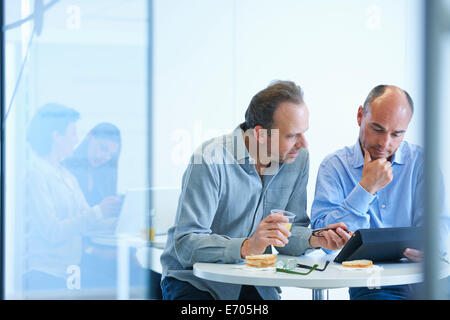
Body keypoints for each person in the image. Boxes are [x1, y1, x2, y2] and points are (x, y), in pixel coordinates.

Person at [160, 80, 352, 300]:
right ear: (260, 134)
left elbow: (289, 233)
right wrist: (247, 246)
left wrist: (315, 239)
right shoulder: (209, 159)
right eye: (292, 135)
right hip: (197, 282)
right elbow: (186, 244)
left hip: (255, 279)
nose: (304, 144)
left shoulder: (297, 159)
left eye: (304, 133)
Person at [310, 85, 450, 300]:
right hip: (373, 283)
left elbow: (439, 226)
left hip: (427, 275)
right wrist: (366, 188)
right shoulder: (334, 167)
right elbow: (323, 239)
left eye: (397, 134)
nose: (385, 143)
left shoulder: (422, 163)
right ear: (360, 116)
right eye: (377, 128)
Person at [23, 103, 118, 291]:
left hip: (70, 271)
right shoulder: (36, 174)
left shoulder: (66, 176)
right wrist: (98, 212)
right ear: (56, 136)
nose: (76, 140)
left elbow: (86, 218)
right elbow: (53, 231)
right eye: (73, 133)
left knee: (120, 288)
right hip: (46, 273)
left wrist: (118, 220)